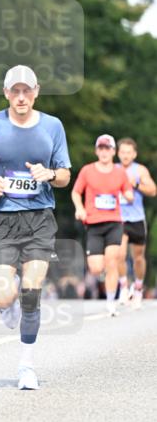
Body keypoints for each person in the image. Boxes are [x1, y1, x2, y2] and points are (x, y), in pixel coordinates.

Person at [0, 65, 71, 390]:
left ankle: (26, 366)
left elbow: (65, 174)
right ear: (6, 93)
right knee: (3, 294)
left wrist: (48, 175)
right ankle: (5, 307)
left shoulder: (52, 126)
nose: (21, 96)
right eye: (15, 90)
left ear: (36, 91)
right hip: (2, 219)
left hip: (39, 218)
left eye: (27, 90)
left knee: (31, 292)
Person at [72, 136, 134, 317]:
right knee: (96, 268)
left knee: (112, 261)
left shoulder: (120, 173)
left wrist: (129, 196)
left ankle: (110, 303)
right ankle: (107, 276)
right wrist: (80, 208)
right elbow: (76, 192)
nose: (104, 152)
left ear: (113, 151)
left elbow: (127, 191)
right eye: (101, 148)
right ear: (97, 151)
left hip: (114, 222)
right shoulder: (87, 171)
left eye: (108, 148)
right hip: (93, 224)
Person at [116, 137, 156, 309]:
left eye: (128, 152)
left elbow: (153, 190)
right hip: (118, 219)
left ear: (134, 154)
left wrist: (136, 184)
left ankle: (138, 287)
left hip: (137, 219)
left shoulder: (139, 170)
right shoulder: (113, 169)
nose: (125, 156)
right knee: (119, 254)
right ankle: (124, 287)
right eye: (122, 152)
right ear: (118, 153)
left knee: (138, 258)